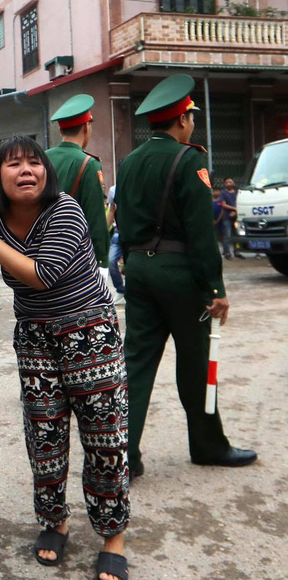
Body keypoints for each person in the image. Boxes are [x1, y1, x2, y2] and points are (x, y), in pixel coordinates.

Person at [0, 136, 131, 580]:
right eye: (13, 164)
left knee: (104, 435)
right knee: (44, 434)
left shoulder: (65, 210)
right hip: (34, 337)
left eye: (34, 162)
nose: (26, 170)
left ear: (47, 173)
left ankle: (114, 536)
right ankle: (54, 520)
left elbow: (40, 273)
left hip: (89, 332)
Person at [115, 74, 256, 476]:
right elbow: (200, 232)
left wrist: (132, 262)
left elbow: (122, 222)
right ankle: (209, 445)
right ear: (181, 120)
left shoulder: (129, 163)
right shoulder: (189, 158)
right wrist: (216, 286)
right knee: (194, 363)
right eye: (191, 116)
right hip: (179, 274)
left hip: (139, 268)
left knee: (136, 363)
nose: (192, 122)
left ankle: (124, 456)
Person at [46, 94, 110, 271]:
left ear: (61, 131)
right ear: (86, 127)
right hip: (76, 257)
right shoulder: (89, 164)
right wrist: (102, 259)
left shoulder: (42, 158)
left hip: (42, 250)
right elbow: (95, 217)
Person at [220, 178, 238, 259]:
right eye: (226, 182)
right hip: (227, 217)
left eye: (230, 182)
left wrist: (236, 211)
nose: (228, 184)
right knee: (227, 235)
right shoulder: (223, 193)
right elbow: (223, 205)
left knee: (237, 235)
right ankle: (227, 252)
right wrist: (234, 209)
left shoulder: (237, 192)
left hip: (237, 217)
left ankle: (237, 251)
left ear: (233, 183)